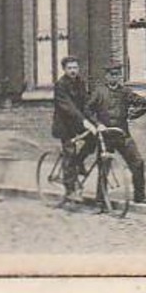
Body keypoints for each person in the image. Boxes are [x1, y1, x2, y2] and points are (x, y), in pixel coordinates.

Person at [89, 61, 146, 205]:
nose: (115, 77)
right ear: (106, 76)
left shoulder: (125, 92)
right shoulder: (99, 92)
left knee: (138, 162)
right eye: (112, 74)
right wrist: (97, 124)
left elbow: (144, 103)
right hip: (104, 136)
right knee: (104, 167)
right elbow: (87, 110)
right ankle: (101, 200)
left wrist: (132, 115)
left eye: (117, 74)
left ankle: (140, 195)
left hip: (122, 134)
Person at [51, 54, 97, 203]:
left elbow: (85, 104)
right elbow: (68, 108)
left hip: (77, 122)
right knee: (69, 152)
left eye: (75, 67)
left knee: (93, 139)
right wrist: (84, 121)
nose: (73, 71)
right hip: (64, 125)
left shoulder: (80, 83)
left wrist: (94, 122)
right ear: (64, 69)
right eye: (69, 68)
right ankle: (70, 190)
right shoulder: (60, 85)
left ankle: (79, 162)